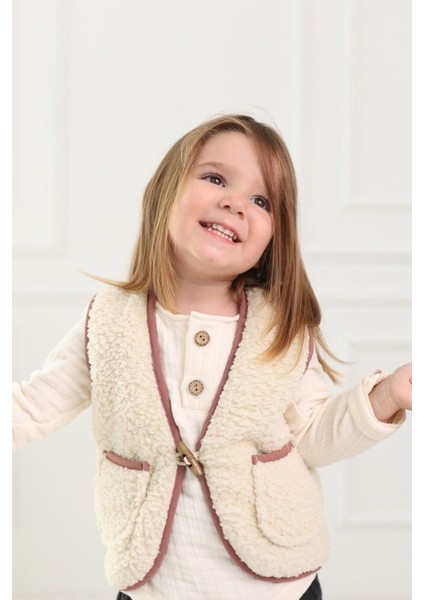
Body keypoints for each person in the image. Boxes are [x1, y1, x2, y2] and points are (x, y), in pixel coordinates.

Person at [13, 114, 412, 600]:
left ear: (274, 237)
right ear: (166, 192)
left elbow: (312, 436)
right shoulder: (110, 320)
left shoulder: (279, 328)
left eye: (261, 201)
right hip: (152, 585)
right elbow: (32, 407)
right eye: (216, 179)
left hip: (279, 584)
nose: (235, 203)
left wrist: (387, 396)